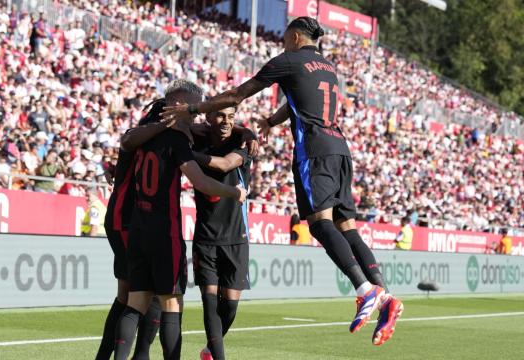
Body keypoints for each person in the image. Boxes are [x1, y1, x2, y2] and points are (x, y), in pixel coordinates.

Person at [162, 17, 402, 346]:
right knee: (348, 227)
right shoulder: (328, 66)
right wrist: (274, 120)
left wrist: (194, 108)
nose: (282, 43)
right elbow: (301, 100)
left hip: (314, 151)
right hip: (341, 151)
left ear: (295, 36)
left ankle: (364, 291)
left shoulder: (288, 59)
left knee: (319, 223)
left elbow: (236, 95)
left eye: (285, 38)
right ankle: (385, 297)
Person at [114, 80, 247, 360]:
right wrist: (234, 192)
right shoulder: (176, 140)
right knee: (171, 306)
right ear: (177, 104)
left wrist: (244, 130)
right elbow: (202, 183)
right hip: (165, 232)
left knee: (135, 303)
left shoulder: (145, 134)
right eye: (191, 108)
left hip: (138, 228)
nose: (195, 114)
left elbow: (126, 142)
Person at [95, 98, 175, 360]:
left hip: (127, 219)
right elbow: (128, 144)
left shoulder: (148, 133)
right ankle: (137, 355)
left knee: (129, 294)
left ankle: (109, 356)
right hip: (127, 219)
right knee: (145, 293)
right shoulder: (146, 135)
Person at [190, 107, 252, 360]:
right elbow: (182, 127)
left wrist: (186, 156)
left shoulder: (243, 145)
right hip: (205, 237)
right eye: (220, 115)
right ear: (208, 117)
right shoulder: (197, 141)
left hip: (237, 237)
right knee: (210, 303)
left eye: (231, 117)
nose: (226, 121)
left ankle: (209, 349)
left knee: (230, 308)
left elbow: (225, 164)